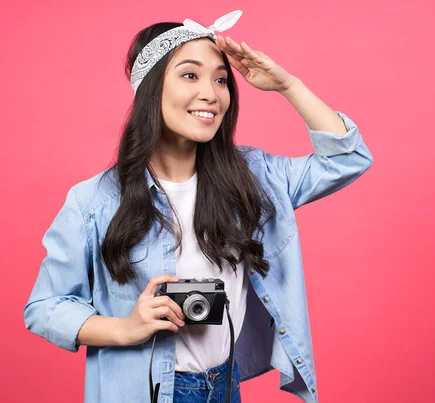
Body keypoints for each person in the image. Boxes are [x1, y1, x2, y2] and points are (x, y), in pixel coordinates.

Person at [24, 10, 373, 403]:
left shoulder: (254, 180)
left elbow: (348, 159)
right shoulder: (94, 202)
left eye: (221, 79)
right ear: (150, 89)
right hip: (144, 391)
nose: (211, 93)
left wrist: (287, 85)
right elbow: (44, 307)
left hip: (224, 385)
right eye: (190, 75)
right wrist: (126, 328)